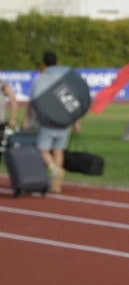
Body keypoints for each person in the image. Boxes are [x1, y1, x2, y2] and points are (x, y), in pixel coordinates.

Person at [26, 51, 76, 194]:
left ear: (43, 64)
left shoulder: (40, 80)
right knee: (58, 150)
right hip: (64, 120)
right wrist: (76, 120)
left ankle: (54, 170)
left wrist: (29, 120)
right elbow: (70, 102)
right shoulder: (63, 80)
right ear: (58, 62)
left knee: (42, 149)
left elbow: (33, 102)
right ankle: (57, 184)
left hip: (48, 120)